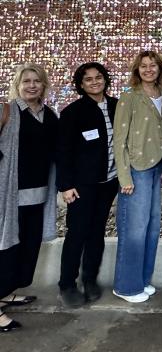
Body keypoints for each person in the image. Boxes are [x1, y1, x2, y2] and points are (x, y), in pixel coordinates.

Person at [0, 64, 58, 332]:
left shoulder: (50, 116)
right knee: (6, 249)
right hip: (9, 195)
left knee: (27, 247)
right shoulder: (7, 111)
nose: (32, 85)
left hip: (39, 195)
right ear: (18, 85)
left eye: (37, 81)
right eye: (26, 81)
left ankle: (7, 292)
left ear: (44, 85)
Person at [57, 62, 119, 307]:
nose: (95, 82)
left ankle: (90, 279)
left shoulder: (117, 106)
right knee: (77, 234)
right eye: (89, 79)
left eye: (99, 77)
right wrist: (66, 185)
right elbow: (63, 152)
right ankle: (67, 285)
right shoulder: (73, 112)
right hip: (83, 186)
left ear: (105, 79)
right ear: (81, 85)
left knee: (97, 234)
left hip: (108, 183)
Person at [112, 51, 162, 303]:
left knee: (152, 227)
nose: (148, 70)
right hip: (137, 168)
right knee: (134, 229)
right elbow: (119, 139)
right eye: (143, 66)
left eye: (152, 65)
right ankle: (126, 286)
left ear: (159, 69)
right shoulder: (129, 96)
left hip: (157, 167)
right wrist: (124, 176)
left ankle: (143, 279)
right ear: (137, 70)